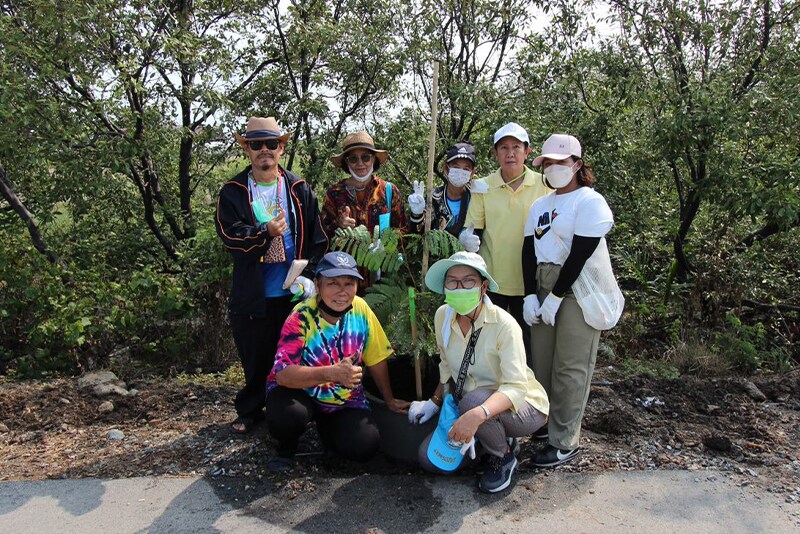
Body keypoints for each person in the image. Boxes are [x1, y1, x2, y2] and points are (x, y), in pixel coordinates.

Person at [215, 116, 328, 434]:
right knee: (255, 354)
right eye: (256, 144)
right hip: (254, 293)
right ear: (247, 150)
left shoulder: (298, 188)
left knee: (296, 355)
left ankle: (295, 411)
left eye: (271, 144)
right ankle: (250, 410)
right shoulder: (234, 191)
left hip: (294, 291)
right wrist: (264, 232)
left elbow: (319, 239)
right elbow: (230, 236)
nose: (264, 150)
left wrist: (311, 276)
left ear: (281, 148)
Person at [409, 251, 549, 493]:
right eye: (452, 281)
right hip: (471, 405)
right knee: (429, 459)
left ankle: (503, 456)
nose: (459, 287)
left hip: (523, 406)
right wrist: (433, 402)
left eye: (468, 281)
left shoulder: (504, 325)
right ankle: (490, 438)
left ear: (483, 287)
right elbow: (446, 365)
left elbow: (516, 387)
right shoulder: (443, 316)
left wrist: (477, 415)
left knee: (473, 403)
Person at [265, 251, 410, 471]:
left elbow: (377, 358)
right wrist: (331, 373)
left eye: (349, 283)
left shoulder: (361, 309)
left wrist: (388, 399)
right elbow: (283, 374)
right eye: (333, 283)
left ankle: (328, 431)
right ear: (317, 284)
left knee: (365, 444)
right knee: (288, 415)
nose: (342, 292)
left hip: (343, 398)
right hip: (300, 392)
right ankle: (286, 448)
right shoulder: (300, 316)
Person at [521, 134, 614, 467]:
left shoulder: (589, 202)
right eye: (548, 163)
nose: (554, 168)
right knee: (542, 364)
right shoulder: (540, 205)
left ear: (576, 164)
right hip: (544, 285)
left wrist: (558, 296)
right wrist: (532, 294)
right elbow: (528, 251)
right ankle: (544, 425)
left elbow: (580, 254)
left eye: (561, 163)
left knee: (570, 367)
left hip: (577, 289)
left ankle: (564, 440)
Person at [462, 123, 551, 362]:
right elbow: (475, 229)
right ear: (495, 153)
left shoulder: (545, 185)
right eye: (503, 148)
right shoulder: (483, 186)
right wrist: (467, 240)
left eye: (516, 147)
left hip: (533, 282)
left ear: (527, 151)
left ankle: (530, 396)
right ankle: (494, 396)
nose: (510, 153)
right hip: (494, 282)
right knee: (493, 344)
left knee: (531, 347)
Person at [321, 131, 408, 239]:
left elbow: (404, 232)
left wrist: (387, 243)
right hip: (344, 256)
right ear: (346, 162)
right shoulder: (334, 194)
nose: (360, 163)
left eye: (365, 157)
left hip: (382, 255)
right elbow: (322, 235)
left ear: (373, 159)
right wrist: (338, 225)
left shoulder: (389, 191)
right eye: (353, 159)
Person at [407, 142, 477, 237]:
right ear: (446, 169)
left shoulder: (476, 198)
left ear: (472, 172)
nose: (460, 172)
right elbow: (417, 235)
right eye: (456, 167)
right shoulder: (434, 198)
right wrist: (417, 214)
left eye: (466, 169)